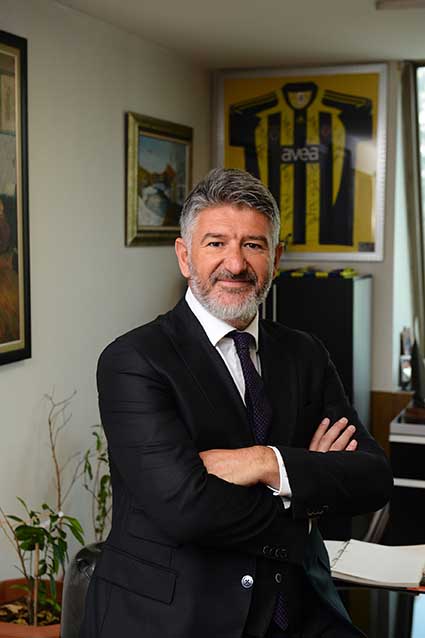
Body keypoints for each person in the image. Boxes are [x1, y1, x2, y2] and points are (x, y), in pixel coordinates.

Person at [80, 168, 392, 638]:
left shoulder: (305, 353)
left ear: (276, 258)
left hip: (299, 610)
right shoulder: (134, 360)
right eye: (216, 243)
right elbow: (187, 510)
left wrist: (265, 463)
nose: (236, 263)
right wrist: (306, 495)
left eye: (253, 245)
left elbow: (372, 478)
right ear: (185, 256)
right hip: (177, 618)